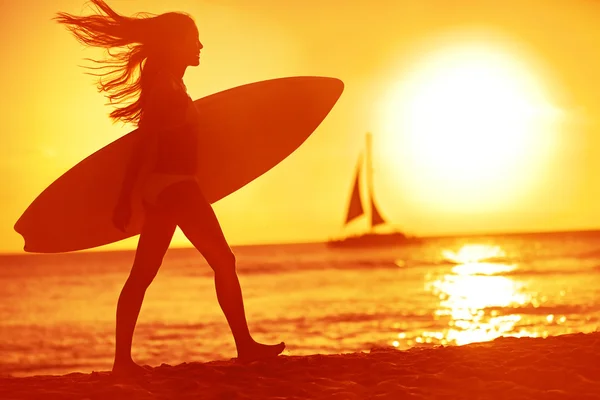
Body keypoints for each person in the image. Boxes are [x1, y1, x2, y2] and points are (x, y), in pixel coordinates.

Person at [55, 0, 285, 376]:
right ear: (175, 43)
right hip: (177, 187)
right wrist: (122, 201)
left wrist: (135, 196)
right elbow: (144, 143)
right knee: (223, 261)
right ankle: (244, 345)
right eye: (194, 39)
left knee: (143, 274)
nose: (200, 46)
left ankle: (121, 362)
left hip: (165, 189)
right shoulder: (164, 85)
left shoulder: (170, 81)